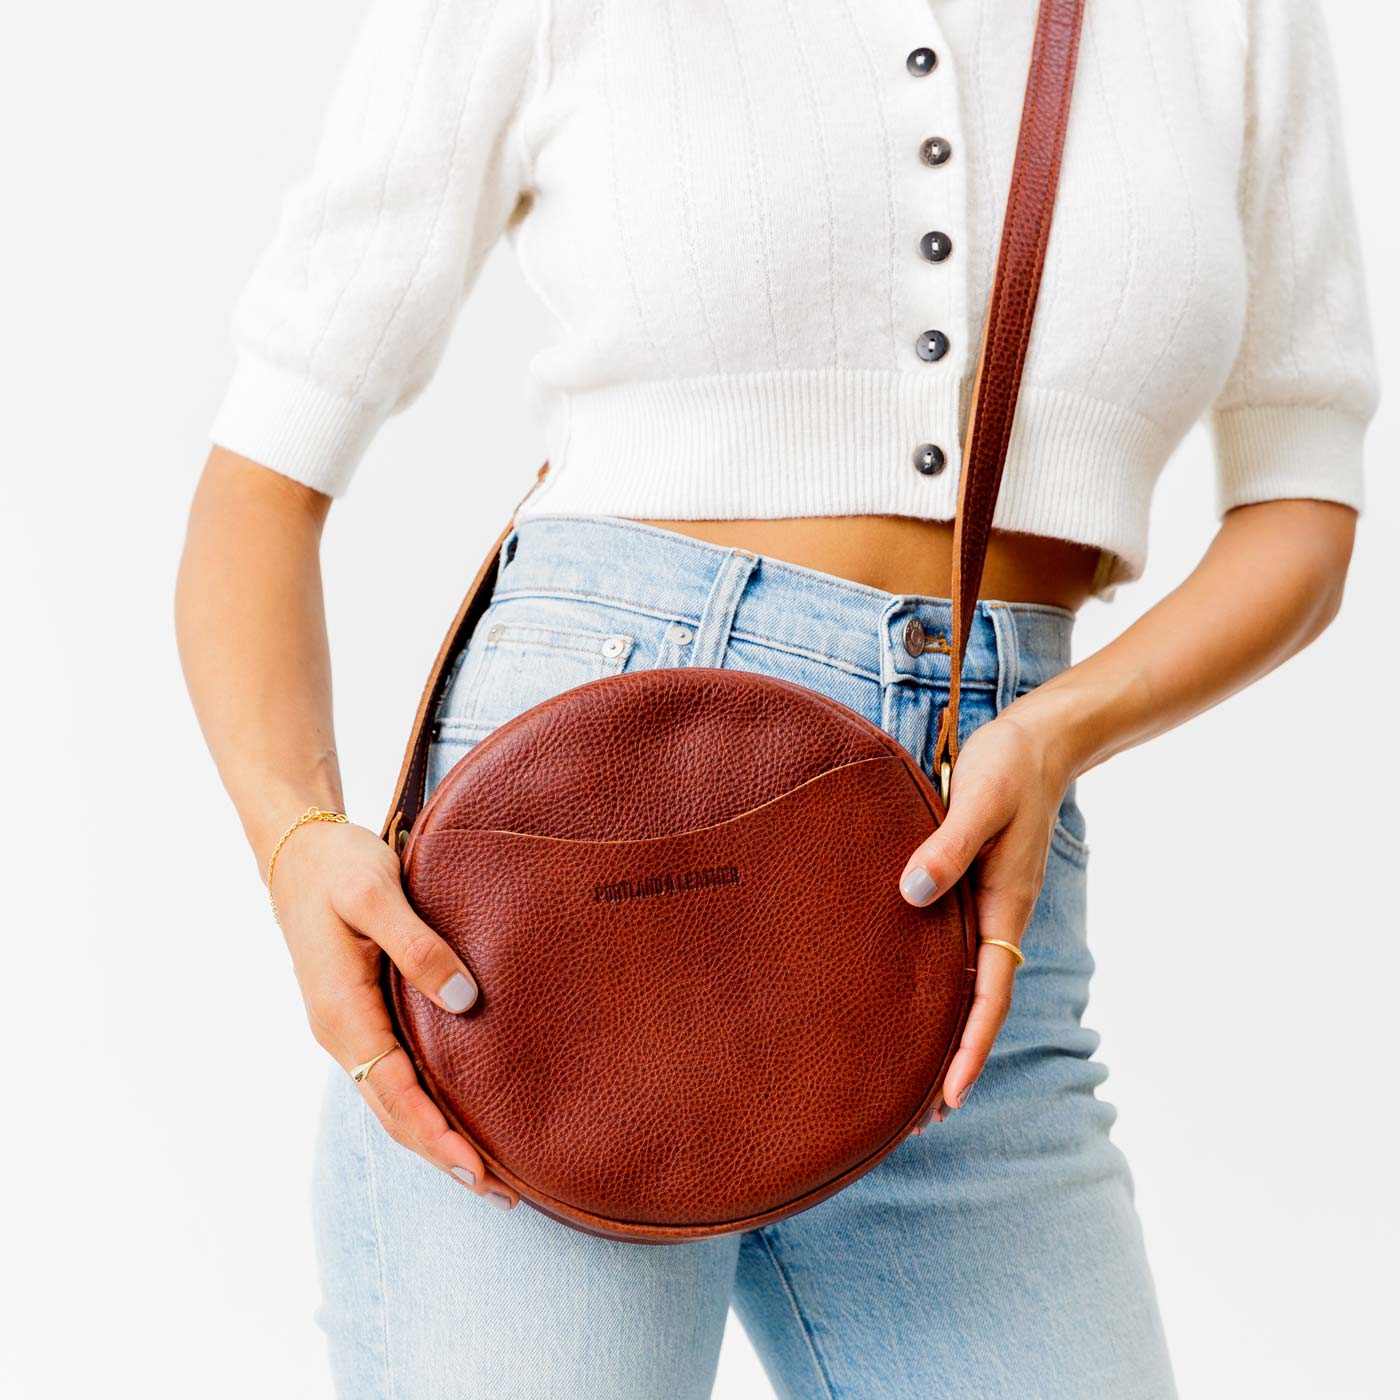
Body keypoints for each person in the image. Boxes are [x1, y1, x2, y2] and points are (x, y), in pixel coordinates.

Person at [175, 2, 1376, 1396]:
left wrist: (1057, 729)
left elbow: (1305, 499)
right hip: (563, 898)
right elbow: (262, 479)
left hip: (971, 911)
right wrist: (294, 841)